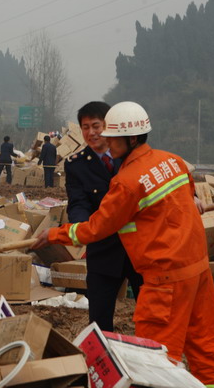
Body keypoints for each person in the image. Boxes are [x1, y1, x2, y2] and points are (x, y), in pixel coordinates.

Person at [32, 101, 214, 388]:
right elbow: (185, 197)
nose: (107, 142)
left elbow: (98, 226)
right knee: (206, 348)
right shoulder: (172, 161)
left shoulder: (126, 181)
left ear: (132, 138)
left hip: (164, 281)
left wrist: (55, 234)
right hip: (197, 270)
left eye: (113, 138)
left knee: (155, 364)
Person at [66, 101, 142, 332]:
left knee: (152, 315)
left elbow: (159, 177)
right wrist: (80, 226)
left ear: (109, 125)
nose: (91, 132)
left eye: (96, 126)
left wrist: (192, 195)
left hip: (140, 248)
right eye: (85, 127)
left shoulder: (132, 154)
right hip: (103, 249)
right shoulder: (76, 165)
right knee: (99, 320)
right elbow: (78, 202)